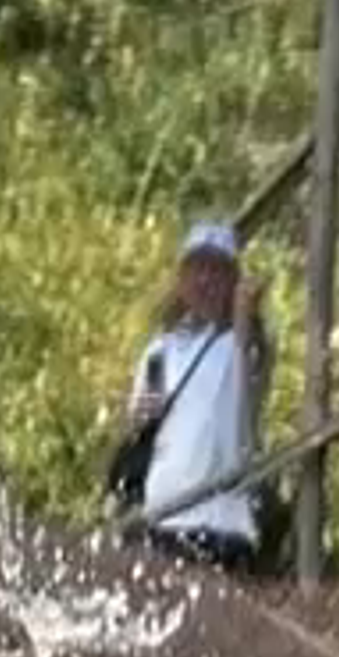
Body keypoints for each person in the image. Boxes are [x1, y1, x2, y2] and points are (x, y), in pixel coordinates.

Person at [111, 216, 274, 561]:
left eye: (217, 271)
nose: (206, 281)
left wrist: (247, 315)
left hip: (221, 525)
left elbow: (256, 362)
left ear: (232, 281)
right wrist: (137, 418)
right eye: (197, 269)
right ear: (182, 280)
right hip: (161, 518)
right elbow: (143, 421)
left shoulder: (242, 346)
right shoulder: (161, 351)